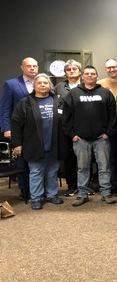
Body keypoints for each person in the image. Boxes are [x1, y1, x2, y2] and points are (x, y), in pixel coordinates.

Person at [62, 65, 117, 207]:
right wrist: (72, 135)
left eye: (93, 73)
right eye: (87, 73)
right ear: (83, 76)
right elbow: (66, 117)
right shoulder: (73, 94)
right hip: (81, 140)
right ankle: (82, 195)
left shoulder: (105, 93)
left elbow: (113, 116)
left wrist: (108, 133)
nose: (90, 75)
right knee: (82, 168)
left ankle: (106, 194)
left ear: (97, 76)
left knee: (104, 167)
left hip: (101, 139)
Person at [11, 74, 64, 210]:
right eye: (39, 83)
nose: (42, 85)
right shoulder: (25, 102)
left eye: (45, 83)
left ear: (49, 85)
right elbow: (16, 124)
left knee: (52, 171)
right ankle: (36, 198)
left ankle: (52, 195)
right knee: (36, 172)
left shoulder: (56, 101)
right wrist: (17, 144)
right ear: (34, 86)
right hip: (34, 144)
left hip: (54, 144)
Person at [0, 57, 39, 201]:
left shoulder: (43, 83)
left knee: (36, 160)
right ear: (22, 67)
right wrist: (6, 128)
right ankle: (24, 190)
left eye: (35, 66)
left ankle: (37, 189)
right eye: (29, 66)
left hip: (37, 131)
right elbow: (4, 109)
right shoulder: (11, 84)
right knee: (22, 161)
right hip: (18, 130)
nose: (32, 68)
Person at [98, 58, 117, 194]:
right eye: (109, 68)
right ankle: (111, 185)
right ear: (105, 69)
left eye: (114, 67)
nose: (111, 70)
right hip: (106, 127)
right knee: (108, 158)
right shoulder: (99, 84)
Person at [54, 59, 82, 196]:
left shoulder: (86, 85)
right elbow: (56, 106)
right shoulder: (59, 87)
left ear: (80, 71)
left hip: (84, 128)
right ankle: (71, 186)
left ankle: (85, 186)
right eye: (69, 70)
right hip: (66, 129)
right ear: (65, 73)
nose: (72, 71)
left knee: (85, 159)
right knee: (69, 158)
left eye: (74, 69)